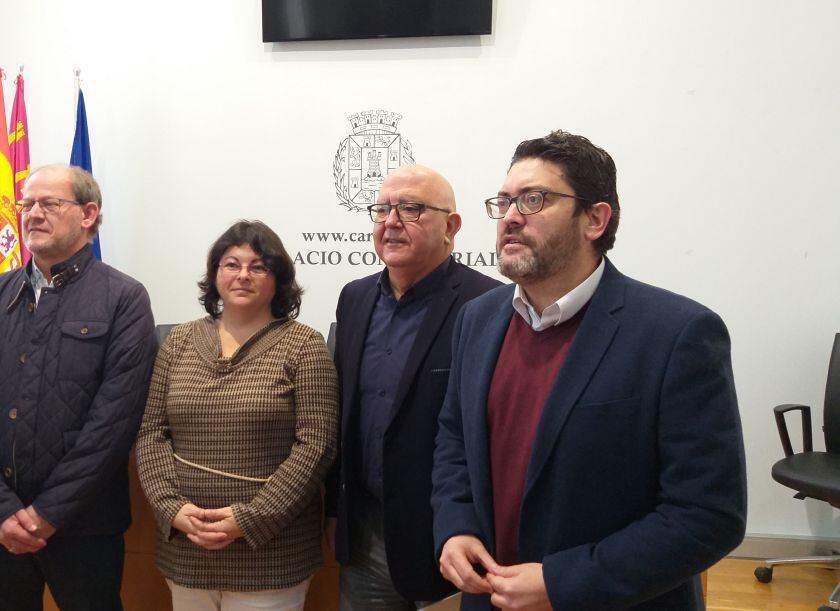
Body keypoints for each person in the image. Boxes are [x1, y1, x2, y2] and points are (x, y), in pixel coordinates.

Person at [431, 131, 747, 610]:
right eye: (505, 201)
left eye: (534, 199)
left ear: (595, 219)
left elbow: (707, 515)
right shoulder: (477, 319)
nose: (511, 216)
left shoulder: (678, 334)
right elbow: (455, 438)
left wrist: (563, 583)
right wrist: (455, 527)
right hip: (489, 598)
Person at [0, 164, 156, 611]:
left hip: (82, 526)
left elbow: (113, 424)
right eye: (27, 204)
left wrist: (48, 514)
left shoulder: (124, 299)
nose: (33, 214)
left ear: (88, 214)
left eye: (49, 204)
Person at [135, 220, 338, 611]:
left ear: (279, 279)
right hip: (187, 548)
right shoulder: (178, 341)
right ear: (215, 275)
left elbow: (317, 446)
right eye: (231, 264)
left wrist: (251, 518)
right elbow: (150, 433)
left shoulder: (304, 346)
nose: (243, 275)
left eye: (258, 266)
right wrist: (170, 508)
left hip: (271, 554)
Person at [327, 164, 501, 610]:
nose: (391, 222)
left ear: (452, 226)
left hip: (448, 536)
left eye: (411, 209)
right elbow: (343, 411)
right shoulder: (355, 297)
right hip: (365, 532)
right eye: (382, 209)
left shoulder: (490, 305)